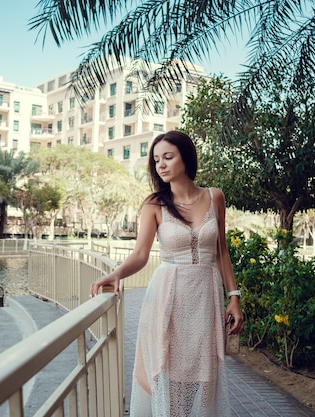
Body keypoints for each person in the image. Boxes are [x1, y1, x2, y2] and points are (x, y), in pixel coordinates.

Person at [90, 130, 244, 416]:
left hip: (205, 298)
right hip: (167, 297)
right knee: (166, 367)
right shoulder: (154, 204)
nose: (161, 164)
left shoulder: (215, 197)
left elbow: (222, 252)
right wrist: (117, 274)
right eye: (156, 159)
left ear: (186, 157)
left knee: (203, 372)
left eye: (168, 157)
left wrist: (234, 297)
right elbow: (140, 254)